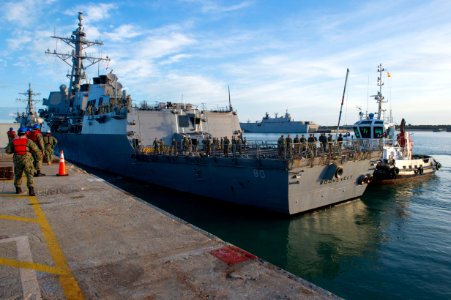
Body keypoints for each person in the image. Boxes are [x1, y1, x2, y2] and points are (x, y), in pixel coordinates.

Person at [5, 127, 40, 195]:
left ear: (18, 133)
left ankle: (18, 189)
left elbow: (8, 151)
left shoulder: (14, 141)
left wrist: (12, 143)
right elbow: (36, 150)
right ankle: (31, 190)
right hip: (27, 160)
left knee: (18, 174)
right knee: (29, 174)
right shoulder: (29, 141)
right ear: (25, 133)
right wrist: (38, 158)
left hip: (17, 160)